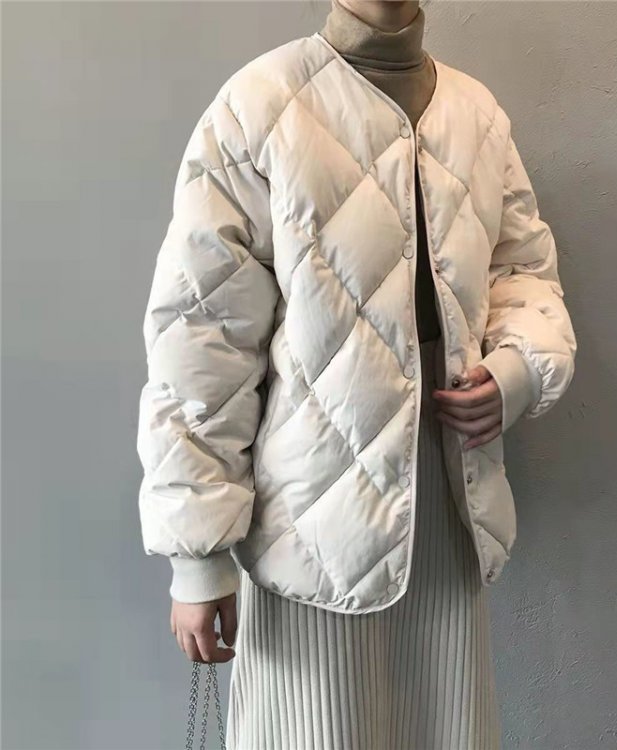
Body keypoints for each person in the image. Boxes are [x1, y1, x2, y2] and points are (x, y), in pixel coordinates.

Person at [136, 0, 577, 747]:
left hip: (448, 502)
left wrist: (518, 370)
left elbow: (524, 272)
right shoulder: (260, 105)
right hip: (308, 519)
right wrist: (198, 554)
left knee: (445, 724)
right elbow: (201, 339)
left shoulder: (477, 115)